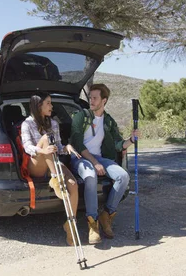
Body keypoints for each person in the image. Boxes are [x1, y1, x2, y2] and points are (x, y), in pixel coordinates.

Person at [69, 84, 139, 244]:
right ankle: (92, 224)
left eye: (95, 98)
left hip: (99, 158)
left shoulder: (108, 121)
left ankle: (107, 214)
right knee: (90, 175)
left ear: (104, 100)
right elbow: (77, 143)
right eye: (90, 98)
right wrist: (93, 162)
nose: (91, 101)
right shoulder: (81, 116)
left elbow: (117, 144)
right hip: (80, 157)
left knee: (123, 176)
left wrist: (131, 140)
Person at [21, 92, 82, 246]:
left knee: (73, 184)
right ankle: (56, 178)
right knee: (46, 139)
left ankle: (70, 225)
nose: (52, 106)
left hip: (53, 162)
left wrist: (66, 147)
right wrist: (43, 151)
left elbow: (58, 148)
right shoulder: (26, 124)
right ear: (38, 105)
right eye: (48, 103)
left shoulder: (54, 123)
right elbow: (27, 147)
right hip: (37, 164)